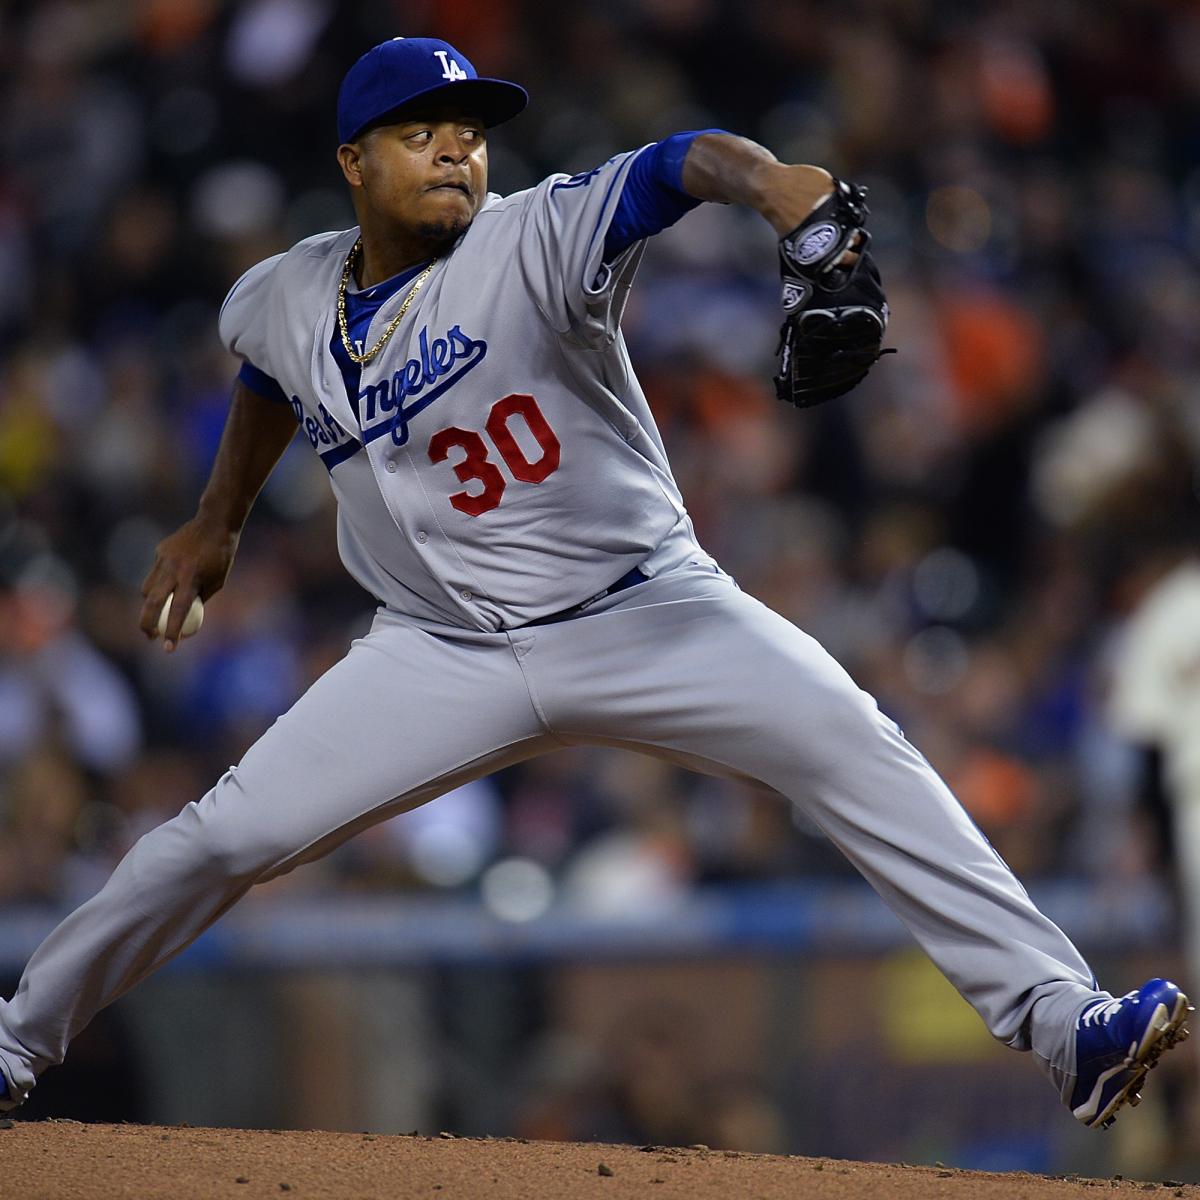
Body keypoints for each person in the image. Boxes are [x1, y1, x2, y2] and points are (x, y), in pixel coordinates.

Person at [0, 36, 1188, 1133]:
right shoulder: (282, 291)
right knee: (217, 841)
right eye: (423, 130)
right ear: (353, 162)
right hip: (438, 651)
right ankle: (12, 1044)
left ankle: (1060, 1023)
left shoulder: (536, 235)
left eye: (469, 127)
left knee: (856, 745)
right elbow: (269, 372)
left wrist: (779, 191)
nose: (458, 146)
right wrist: (218, 520)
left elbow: (681, 163)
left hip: (646, 611)